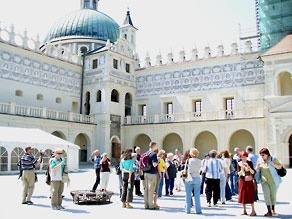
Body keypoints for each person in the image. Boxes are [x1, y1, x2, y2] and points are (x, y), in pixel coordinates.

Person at [255, 147, 283, 216]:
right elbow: (256, 169)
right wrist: (257, 167)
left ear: (267, 154)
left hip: (273, 180)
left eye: (263, 155)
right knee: (266, 195)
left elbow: (280, 167)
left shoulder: (273, 159)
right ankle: (269, 211)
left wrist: (274, 164)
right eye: (261, 155)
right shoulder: (259, 160)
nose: (262, 156)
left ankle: (273, 209)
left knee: (273, 195)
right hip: (264, 180)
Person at [237, 151, 256, 216]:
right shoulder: (239, 163)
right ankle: (244, 210)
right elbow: (238, 174)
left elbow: (253, 172)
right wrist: (242, 169)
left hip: (249, 180)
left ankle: (253, 210)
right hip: (242, 181)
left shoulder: (249, 163)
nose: (244, 158)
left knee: (250, 195)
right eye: (242, 157)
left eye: (245, 157)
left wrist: (249, 167)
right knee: (243, 195)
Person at [183, 148, 202, 214]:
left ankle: (187, 209)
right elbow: (200, 169)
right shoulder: (200, 161)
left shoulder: (188, 160)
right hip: (196, 177)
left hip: (189, 177)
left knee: (188, 194)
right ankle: (198, 210)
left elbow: (185, 168)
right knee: (197, 195)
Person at [143, 141, 159, 210]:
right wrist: (158, 162)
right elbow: (154, 164)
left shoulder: (146, 153)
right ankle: (151, 205)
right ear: (154, 146)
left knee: (146, 189)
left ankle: (146, 204)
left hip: (146, 172)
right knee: (151, 189)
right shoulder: (153, 154)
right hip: (152, 173)